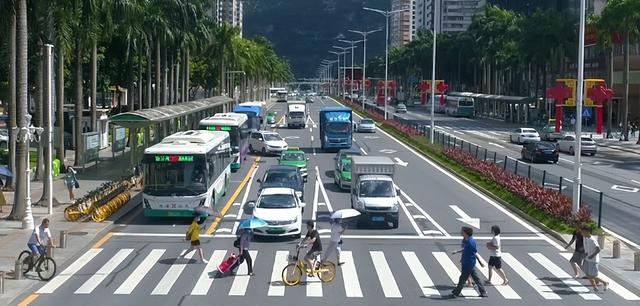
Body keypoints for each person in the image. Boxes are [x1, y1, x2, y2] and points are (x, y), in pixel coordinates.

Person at [450, 226, 487, 298]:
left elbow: (474, 253)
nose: (460, 232)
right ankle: (483, 291)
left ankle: (456, 293)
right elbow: (465, 249)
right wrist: (457, 251)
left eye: (462, 231)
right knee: (476, 278)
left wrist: (480, 261)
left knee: (462, 279)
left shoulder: (471, 242)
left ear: (465, 233)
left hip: (468, 263)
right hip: (467, 262)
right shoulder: (467, 241)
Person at [581, 227, 608, 291]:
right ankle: (595, 287)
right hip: (587, 259)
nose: (581, 233)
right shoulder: (585, 238)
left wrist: (592, 255)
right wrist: (585, 253)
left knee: (592, 275)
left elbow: (598, 249)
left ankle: (605, 282)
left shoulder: (592, 240)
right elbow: (586, 247)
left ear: (587, 231)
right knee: (587, 274)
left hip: (593, 260)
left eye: (582, 231)